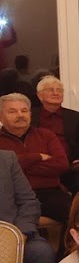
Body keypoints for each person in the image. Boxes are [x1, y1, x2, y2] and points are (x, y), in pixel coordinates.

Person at [0, 93, 70, 223]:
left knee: (78, 215)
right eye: (12, 111)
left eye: (24, 111)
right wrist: (37, 157)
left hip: (49, 192)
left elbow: (61, 165)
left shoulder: (46, 135)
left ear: (30, 114)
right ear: (1, 116)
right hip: (11, 196)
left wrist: (17, 166)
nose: (20, 115)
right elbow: (3, 169)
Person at [0, 151, 55, 263]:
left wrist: (20, 235)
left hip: (13, 234)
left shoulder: (7, 159)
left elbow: (29, 202)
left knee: (41, 252)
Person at [32, 75, 79, 192]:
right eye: (50, 90)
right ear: (40, 95)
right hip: (40, 168)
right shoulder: (31, 117)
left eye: (59, 90)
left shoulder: (76, 117)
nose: (56, 93)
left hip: (69, 168)